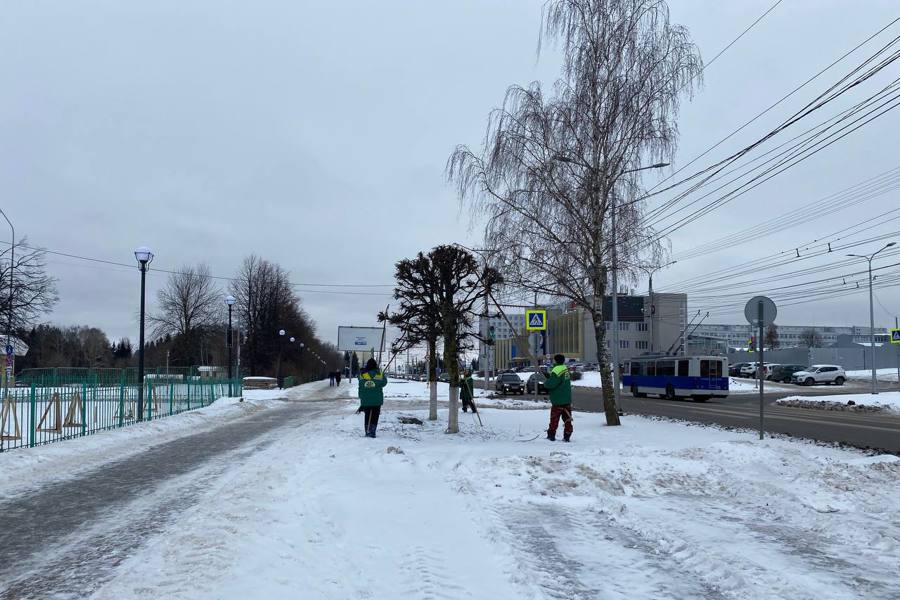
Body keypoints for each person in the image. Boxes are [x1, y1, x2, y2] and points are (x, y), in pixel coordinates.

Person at [543, 353, 573, 442]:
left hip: (558, 400)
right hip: (566, 399)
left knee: (554, 420)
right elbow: (561, 381)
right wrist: (550, 377)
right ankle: (567, 436)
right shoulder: (565, 368)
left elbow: (551, 384)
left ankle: (551, 435)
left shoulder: (556, 369)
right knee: (567, 419)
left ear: (555, 360)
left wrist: (546, 382)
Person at [357, 358, 387, 438]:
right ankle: (372, 432)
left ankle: (367, 431)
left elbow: (360, 385)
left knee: (367, 415)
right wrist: (379, 373)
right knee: (375, 416)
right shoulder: (378, 374)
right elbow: (384, 383)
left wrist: (361, 396)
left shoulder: (363, 374)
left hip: (365, 399)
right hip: (376, 400)